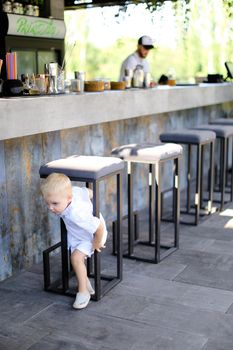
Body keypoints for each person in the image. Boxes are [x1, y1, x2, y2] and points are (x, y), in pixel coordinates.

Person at [40, 172, 107, 310]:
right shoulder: (73, 192)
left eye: (55, 203)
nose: (50, 208)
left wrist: (97, 242)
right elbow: (87, 192)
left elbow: (99, 226)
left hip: (91, 235)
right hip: (77, 234)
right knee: (74, 255)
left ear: (69, 198)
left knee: (76, 258)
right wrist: (91, 195)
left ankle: (83, 292)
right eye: (47, 203)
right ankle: (84, 282)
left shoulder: (77, 214)